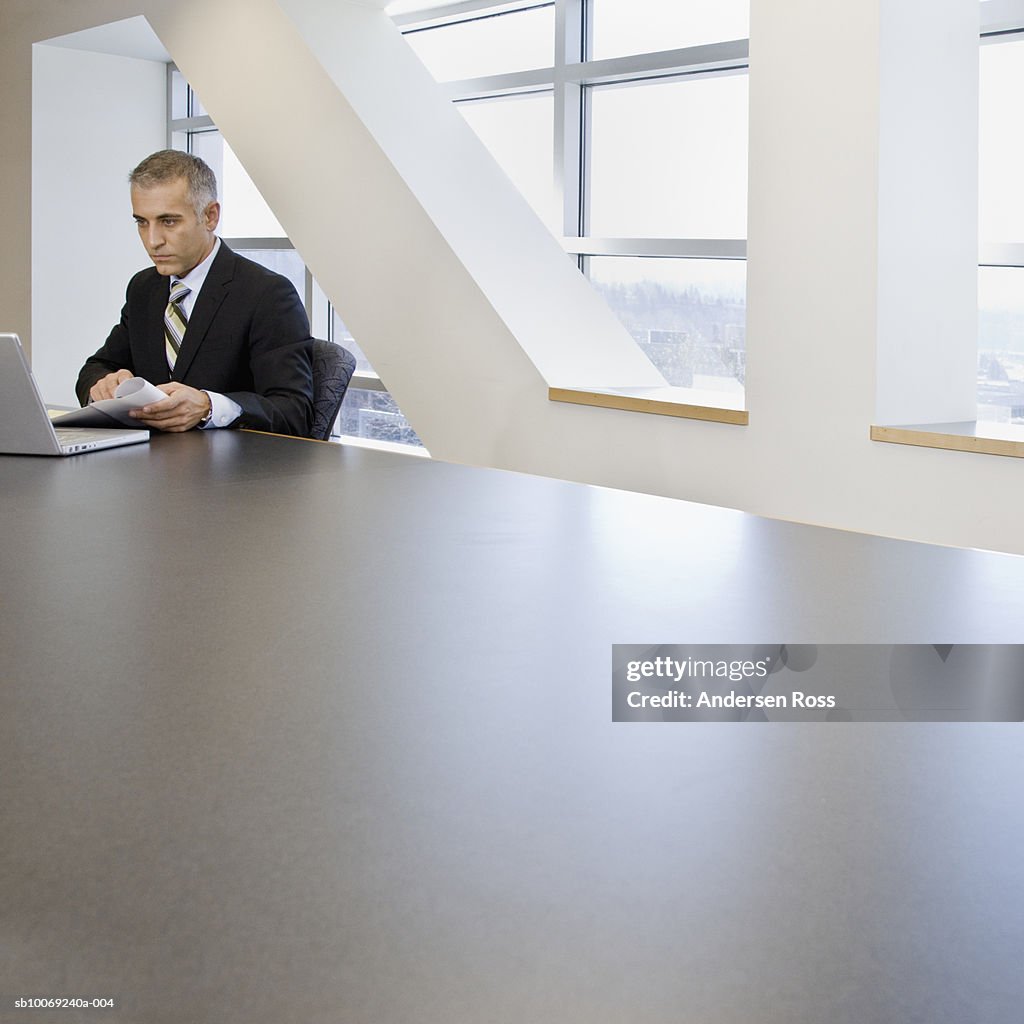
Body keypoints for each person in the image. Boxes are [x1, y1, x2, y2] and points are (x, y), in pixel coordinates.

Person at [76, 150, 314, 437]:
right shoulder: (144, 288)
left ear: (210, 216)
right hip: (148, 467)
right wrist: (103, 382)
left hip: (230, 474)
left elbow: (294, 411)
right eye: (141, 222)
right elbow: (98, 366)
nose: (153, 241)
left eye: (169, 221)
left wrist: (208, 406)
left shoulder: (267, 294)